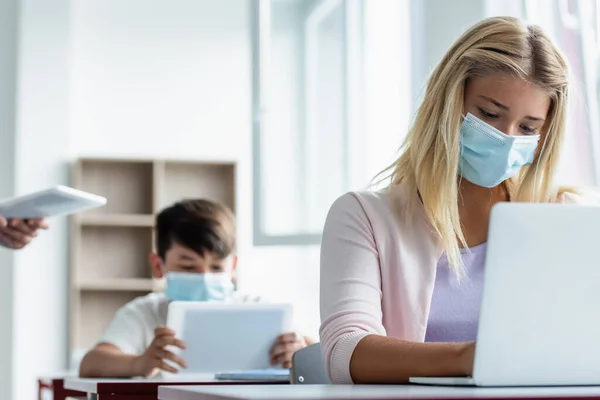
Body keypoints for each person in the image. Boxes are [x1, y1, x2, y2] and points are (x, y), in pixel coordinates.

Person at [319, 16, 592, 384]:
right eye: (489, 114)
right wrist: (474, 358)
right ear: (449, 101)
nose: (506, 137)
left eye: (528, 128)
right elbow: (345, 354)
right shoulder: (365, 216)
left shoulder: (567, 220)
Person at [79, 199, 312, 378]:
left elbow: (326, 355)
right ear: (158, 265)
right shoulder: (144, 313)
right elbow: (91, 363)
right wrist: (139, 363)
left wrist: (301, 355)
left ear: (234, 267)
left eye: (217, 266)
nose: (205, 277)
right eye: (188, 267)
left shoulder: (260, 309)